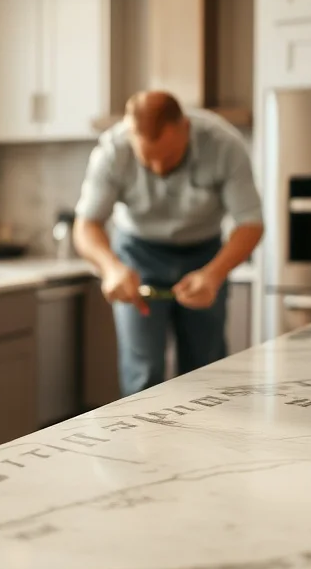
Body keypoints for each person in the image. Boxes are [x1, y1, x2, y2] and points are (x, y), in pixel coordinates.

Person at [73, 91, 265, 397]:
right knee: (143, 372)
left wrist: (214, 274)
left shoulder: (224, 145)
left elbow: (251, 224)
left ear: (185, 128)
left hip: (205, 256)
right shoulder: (112, 151)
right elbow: (86, 225)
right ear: (131, 137)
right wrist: (111, 269)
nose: (160, 169)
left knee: (206, 370)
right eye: (148, 160)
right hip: (137, 256)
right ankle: (144, 445)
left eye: (169, 157)